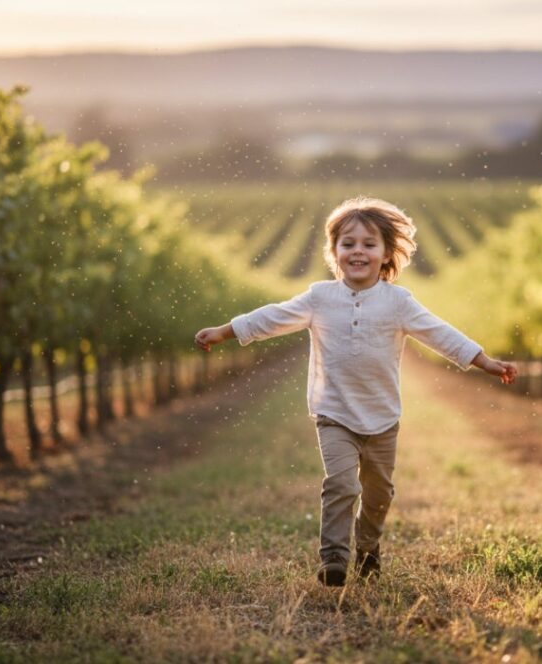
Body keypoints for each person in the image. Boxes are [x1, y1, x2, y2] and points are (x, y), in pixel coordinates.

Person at [194, 196, 517, 587]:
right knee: (342, 483)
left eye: (368, 244)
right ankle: (334, 558)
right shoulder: (319, 297)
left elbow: (439, 333)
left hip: (382, 417)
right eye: (348, 244)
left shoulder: (398, 302)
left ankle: (368, 547)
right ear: (334, 253)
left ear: (386, 254)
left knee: (379, 494)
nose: (357, 251)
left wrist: (484, 361)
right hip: (334, 413)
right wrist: (226, 331)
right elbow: (272, 317)